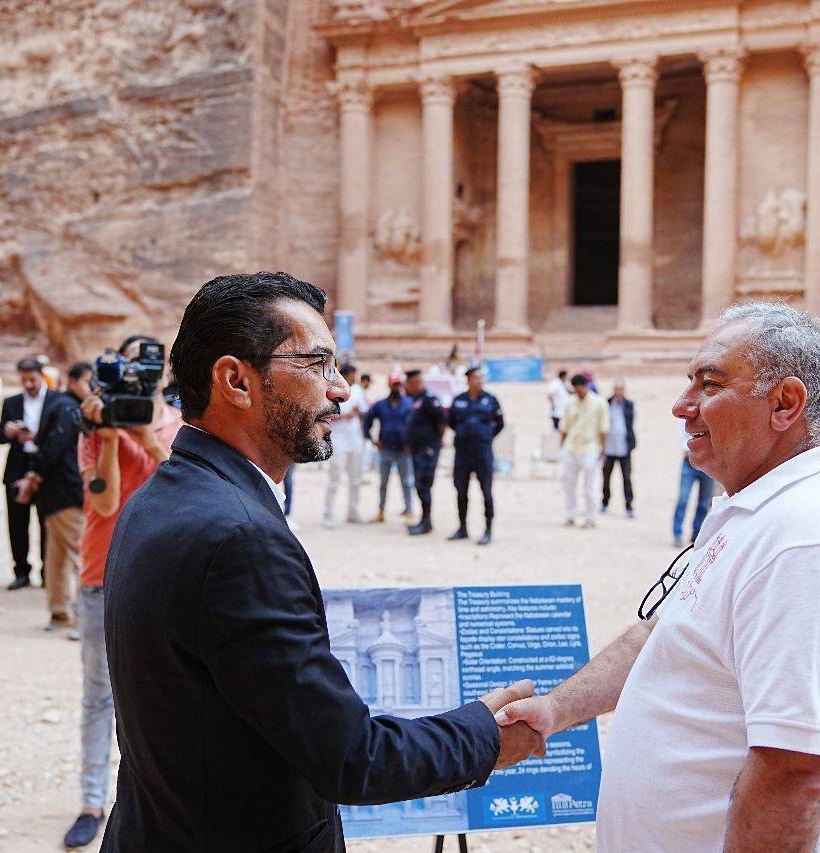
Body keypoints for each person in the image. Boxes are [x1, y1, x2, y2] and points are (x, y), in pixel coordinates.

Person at [100, 272, 543, 851]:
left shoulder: (163, 497)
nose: (340, 390)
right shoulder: (241, 538)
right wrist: (483, 734)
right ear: (236, 381)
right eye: (316, 365)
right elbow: (351, 758)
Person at [497, 302, 820, 853]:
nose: (682, 406)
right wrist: (556, 710)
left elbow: (797, 774)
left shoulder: (809, 542)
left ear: (785, 403)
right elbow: (664, 635)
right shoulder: (758, 508)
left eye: (710, 385)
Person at [62, 335, 183, 849]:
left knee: (167, 693)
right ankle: (93, 801)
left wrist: (145, 438)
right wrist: (111, 438)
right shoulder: (96, 427)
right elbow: (105, 503)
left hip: (163, 576)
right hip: (101, 576)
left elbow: (185, 485)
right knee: (99, 695)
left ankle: (161, 804)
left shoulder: (181, 427)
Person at [0, 359, 62, 590]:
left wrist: (37, 436)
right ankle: (21, 571)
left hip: (47, 466)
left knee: (47, 522)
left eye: (32, 379)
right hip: (17, 465)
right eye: (24, 380)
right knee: (17, 523)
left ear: (42, 376)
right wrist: (7, 432)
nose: (28, 384)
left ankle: (47, 572)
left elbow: (61, 435)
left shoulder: (57, 400)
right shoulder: (11, 402)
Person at [28, 389, 85, 632]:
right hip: (68, 491)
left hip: (53, 493)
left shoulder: (59, 403)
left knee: (57, 556)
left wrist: (37, 474)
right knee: (81, 556)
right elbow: (55, 447)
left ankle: (59, 611)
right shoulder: (69, 408)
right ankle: (84, 617)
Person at [447, 366, 503, 545]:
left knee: (486, 491)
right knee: (461, 491)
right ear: (468, 380)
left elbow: (500, 423)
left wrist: (485, 436)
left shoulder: (491, 400)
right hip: (462, 453)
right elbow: (451, 422)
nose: (478, 381)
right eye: (475, 378)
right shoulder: (459, 400)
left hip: (482, 452)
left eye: (480, 378)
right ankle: (462, 528)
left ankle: (488, 529)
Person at [363, 372, 414, 523]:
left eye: (398, 385)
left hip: (404, 450)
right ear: (389, 385)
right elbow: (367, 421)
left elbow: (415, 425)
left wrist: (411, 443)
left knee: (407, 482)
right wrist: (373, 440)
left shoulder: (409, 404)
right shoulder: (380, 405)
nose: (396, 387)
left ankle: (409, 510)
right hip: (386, 449)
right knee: (383, 483)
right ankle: (381, 510)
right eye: (394, 384)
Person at [559, 373, 607, 528]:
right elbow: (564, 427)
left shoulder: (599, 403)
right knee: (568, 484)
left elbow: (604, 428)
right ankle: (570, 515)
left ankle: (590, 517)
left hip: (590, 448)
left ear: (586, 386)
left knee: (590, 486)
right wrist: (561, 448)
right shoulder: (569, 403)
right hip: (571, 448)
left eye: (581, 387)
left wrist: (603, 450)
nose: (579, 391)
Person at [321, 362, 366, 527]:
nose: (354, 378)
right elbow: (326, 413)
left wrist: (359, 412)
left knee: (356, 479)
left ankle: (353, 511)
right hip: (338, 440)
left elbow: (364, 410)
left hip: (355, 439)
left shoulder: (358, 391)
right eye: (352, 376)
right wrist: (345, 415)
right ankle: (328, 513)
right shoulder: (333, 390)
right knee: (335, 478)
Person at [405, 369, 446, 536]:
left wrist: (435, 444)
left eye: (410, 383)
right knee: (419, 485)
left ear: (416, 383)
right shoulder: (415, 399)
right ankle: (424, 520)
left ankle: (426, 522)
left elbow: (442, 422)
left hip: (427, 450)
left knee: (424, 485)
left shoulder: (429, 399)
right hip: (417, 449)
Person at [671, 429, 715, 548]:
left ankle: (696, 533)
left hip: (708, 463)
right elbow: (682, 431)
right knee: (683, 499)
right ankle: (677, 532)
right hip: (689, 461)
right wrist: (687, 450)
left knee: (704, 502)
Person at [601, 379, 635, 518]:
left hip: (624, 448)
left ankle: (629, 505)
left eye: (621, 390)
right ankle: (604, 502)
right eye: (617, 389)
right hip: (608, 448)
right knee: (606, 477)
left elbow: (630, 423)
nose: (618, 392)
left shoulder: (629, 404)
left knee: (626, 477)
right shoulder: (607, 403)